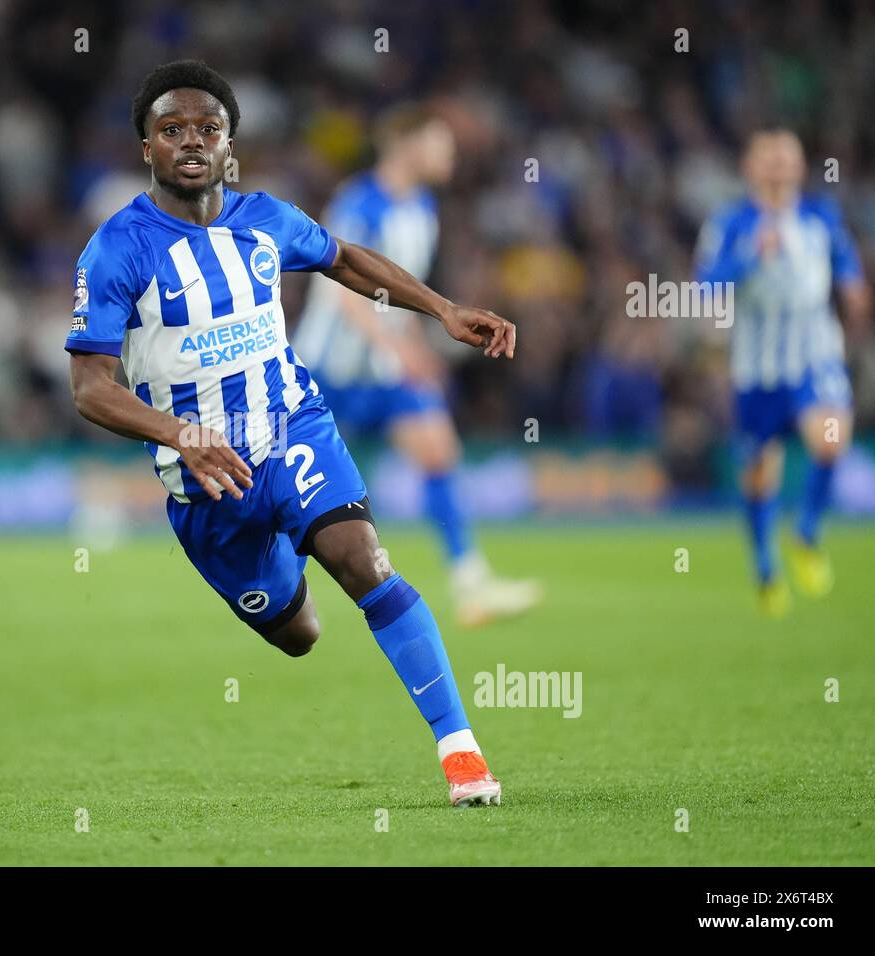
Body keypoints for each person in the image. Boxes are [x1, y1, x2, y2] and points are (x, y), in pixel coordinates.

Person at [67, 61, 517, 805]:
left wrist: (439, 309)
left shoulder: (267, 218)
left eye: (208, 129)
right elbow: (90, 389)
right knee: (298, 632)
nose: (191, 142)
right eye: (170, 129)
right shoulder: (116, 250)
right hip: (205, 480)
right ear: (145, 148)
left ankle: (461, 753)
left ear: (229, 146)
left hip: (289, 427)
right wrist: (179, 433)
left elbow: (342, 259)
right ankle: (279, 548)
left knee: (364, 564)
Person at [293, 104, 541, 626]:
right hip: (329, 366)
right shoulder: (360, 201)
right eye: (439, 142)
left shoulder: (422, 208)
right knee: (286, 481)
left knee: (438, 451)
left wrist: (414, 347)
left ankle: (471, 585)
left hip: (386, 369)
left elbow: (399, 294)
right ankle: (263, 580)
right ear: (407, 144)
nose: (449, 153)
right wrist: (397, 346)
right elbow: (344, 291)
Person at [695, 128, 872, 617]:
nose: (777, 168)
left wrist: (854, 287)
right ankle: (765, 566)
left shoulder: (820, 215)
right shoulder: (731, 222)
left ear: (798, 166)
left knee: (831, 438)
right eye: (768, 159)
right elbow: (706, 286)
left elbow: (844, 260)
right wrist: (751, 256)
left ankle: (808, 531)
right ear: (750, 167)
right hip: (757, 367)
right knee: (757, 472)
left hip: (815, 354)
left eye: (785, 159)